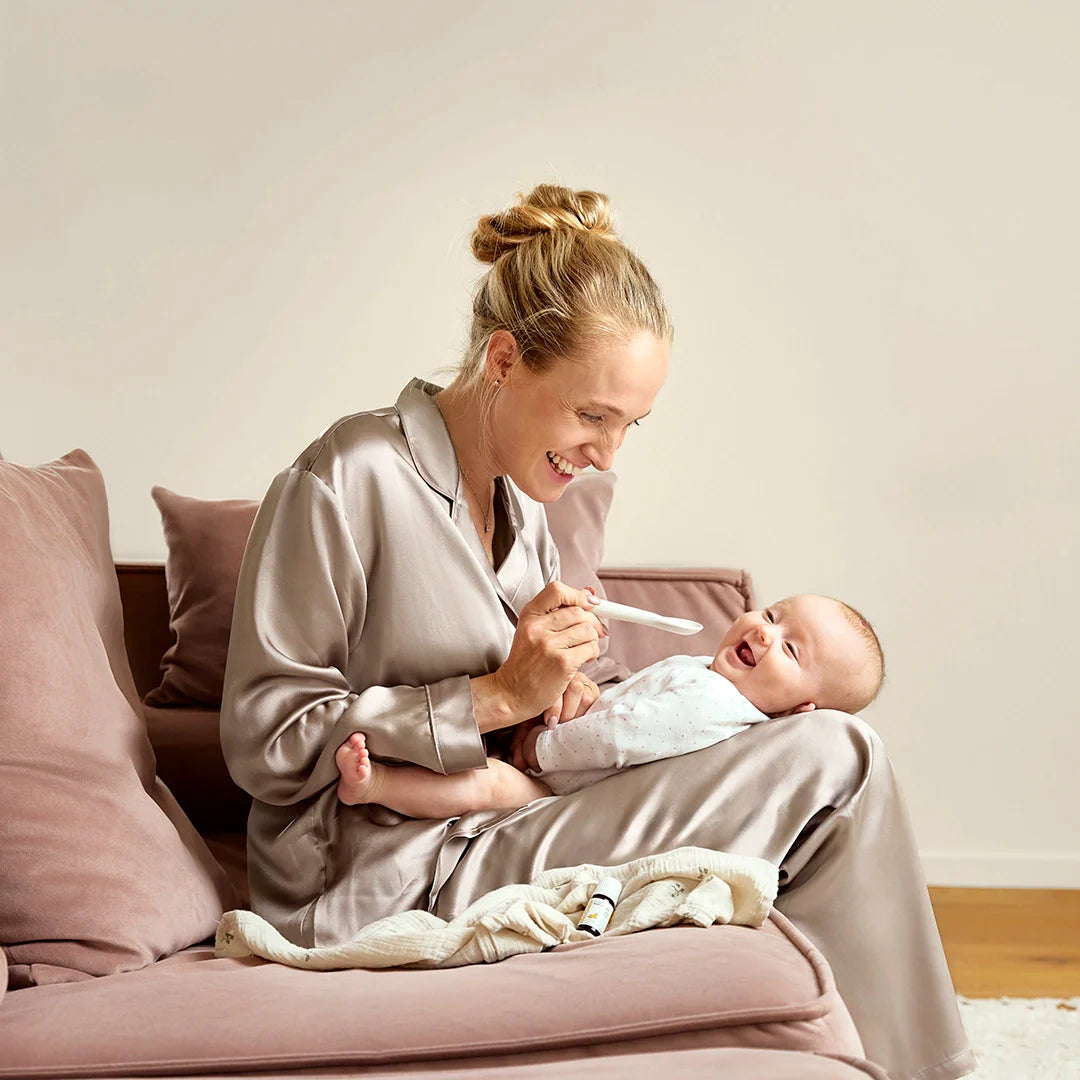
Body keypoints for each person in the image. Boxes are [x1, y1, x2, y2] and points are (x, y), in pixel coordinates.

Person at [219, 183, 975, 1080]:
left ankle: (850, 1059)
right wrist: (496, 695)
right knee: (838, 758)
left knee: (814, 741)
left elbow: (537, 721)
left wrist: (569, 693)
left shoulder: (522, 505)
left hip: (512, 810)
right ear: (503, 360)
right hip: (387, 869)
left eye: (631, 426)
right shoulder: (346, 479)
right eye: (592, 415)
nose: (609, 456)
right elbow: (265, 741)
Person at [335, 593, 885, 811]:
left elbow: (621, 737)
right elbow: (623, 708)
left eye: (789, 649)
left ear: (798, 712)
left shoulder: (718, 706)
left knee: (488, 784)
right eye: (770, 615)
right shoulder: (708, 673)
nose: (765, 633)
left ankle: (379, 787)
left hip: (566, 786)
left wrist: (539, 751)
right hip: (568, 758)